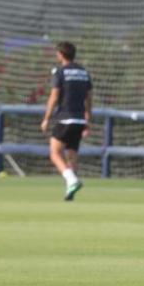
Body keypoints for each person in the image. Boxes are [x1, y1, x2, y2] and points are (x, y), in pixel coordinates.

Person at [40, 42, 92, 201]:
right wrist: (88, 119)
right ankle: (70, 189)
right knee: (72, 154)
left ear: (60, 55)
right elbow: (89, 98)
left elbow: (54, 96)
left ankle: (72, 180)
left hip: (64, 118)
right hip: (79, 119)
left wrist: (47, 118)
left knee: (55, 153)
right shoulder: (84, 72)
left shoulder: (61, 72)